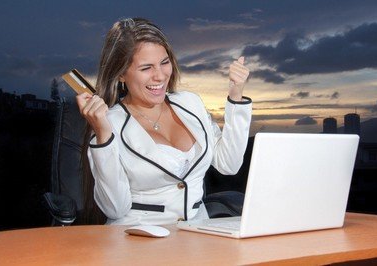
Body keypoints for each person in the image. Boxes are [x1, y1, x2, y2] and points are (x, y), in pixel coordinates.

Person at [76, 17, 252, 225]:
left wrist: (236, 96)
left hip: (199, 233)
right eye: (146, 68)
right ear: (121, 74)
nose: (160, 76)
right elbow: (115, 208)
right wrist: (103, 137)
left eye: (164, 62)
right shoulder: (108, 122)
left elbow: (228, 164)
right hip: (137, 238)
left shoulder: (190, 103)